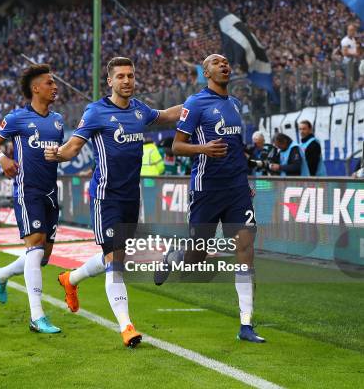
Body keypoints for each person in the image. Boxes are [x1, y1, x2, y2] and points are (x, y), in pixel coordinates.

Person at [45, 57, 182, 347]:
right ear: (110, 81)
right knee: (115, 261)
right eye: (120, 76)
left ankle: (71, 279)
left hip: (132, 197)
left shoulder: (139, 110)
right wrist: (57, 154)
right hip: (106, 198)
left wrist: (196, 105)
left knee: (117, 257)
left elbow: (166, 115)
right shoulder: (96, 111)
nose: (127, 81)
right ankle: (126, 326)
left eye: (131, 75)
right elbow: (74, 147)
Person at [166, 54, 265, 343]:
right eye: (217, 62)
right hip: (206, 189)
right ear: (206, 72)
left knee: (245, 247)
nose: (225, 65)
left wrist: (244, 181)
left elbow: (236, 149)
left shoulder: (235, 105)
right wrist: (204, 149)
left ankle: (246, 325)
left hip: (236, 190)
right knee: (196, 260)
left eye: (226, 62)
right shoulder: (195, 103)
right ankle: (175, 257)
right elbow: (177, 146)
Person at [0, 64, 64, 334]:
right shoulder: (17, 118)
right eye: (49, 83)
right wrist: (3, 158)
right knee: (34, 247)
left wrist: (63, 154)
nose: (54, 87)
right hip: (27, 190)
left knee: (43, 257)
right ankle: (37, 316)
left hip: (51, 193)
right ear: (35, 88)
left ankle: (2, 274)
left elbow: (60, 153)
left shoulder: (58, 120)